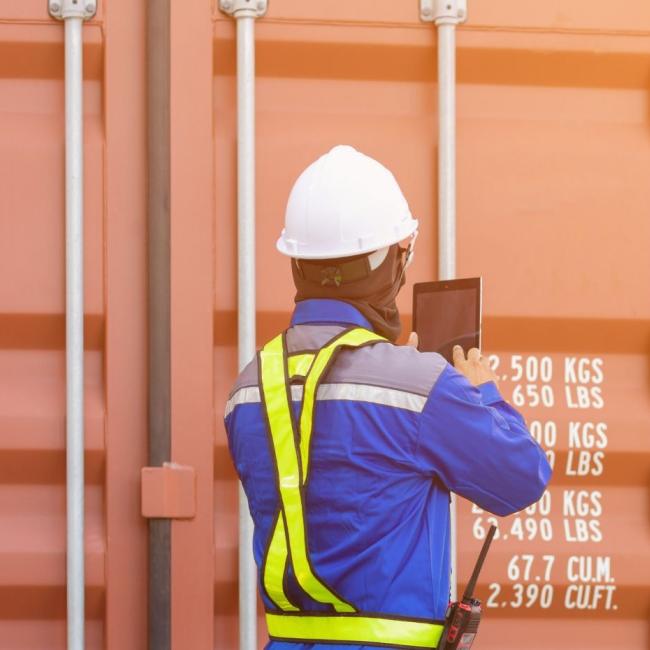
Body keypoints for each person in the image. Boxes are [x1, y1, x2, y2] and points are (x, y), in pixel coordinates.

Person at [224, 145, 552, 650]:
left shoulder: (248, 388)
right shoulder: (422, 387)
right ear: (388, 264)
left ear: (298, 263)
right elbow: (521, 478)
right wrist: (477, 389)